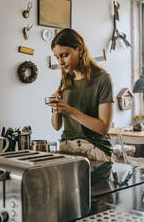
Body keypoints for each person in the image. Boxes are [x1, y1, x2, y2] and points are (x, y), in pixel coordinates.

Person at [47, 28, 114, 162]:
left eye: (64, 55)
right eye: (57, 57)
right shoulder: (65, 81)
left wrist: (70, 111)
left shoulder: (102, 79)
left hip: (95, 149)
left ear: (80, 50)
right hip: (67, 148)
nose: (60, 62)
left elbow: (103, 128)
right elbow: (56, 126)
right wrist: (56, 107)